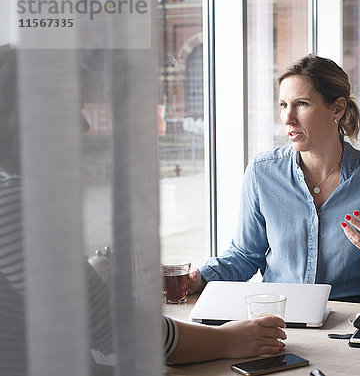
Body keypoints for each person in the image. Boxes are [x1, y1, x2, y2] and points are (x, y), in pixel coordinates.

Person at [0, 45, 285, 375]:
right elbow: (112, 329)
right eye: (67, 109)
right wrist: (227, 340)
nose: (83, 125)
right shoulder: (15, 201)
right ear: (25, 115)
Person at [189, 54, 360, 302]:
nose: (287, 118)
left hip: (348, 322)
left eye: (302, 104)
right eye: (283, 105)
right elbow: (245, 255)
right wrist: (202, 277)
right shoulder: (262, 173)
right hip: (281, 318)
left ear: (337, 108)